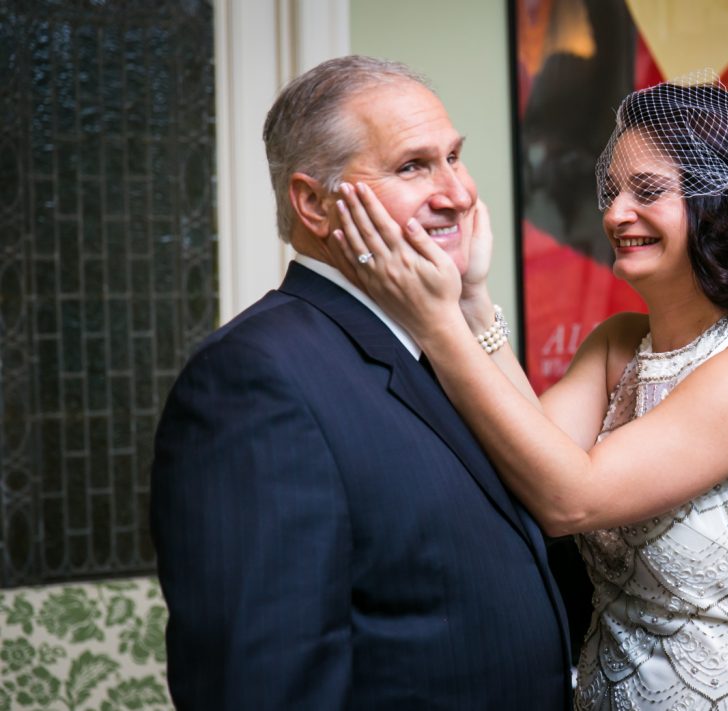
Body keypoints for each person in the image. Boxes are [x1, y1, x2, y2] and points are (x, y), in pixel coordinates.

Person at [329, 70, 728, 709]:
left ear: (720, 204)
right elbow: (528, 462)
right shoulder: (618, 344)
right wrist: (473, 300)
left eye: (646, 190)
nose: (615, 213)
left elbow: (571, 501)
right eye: (611, 189)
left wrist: (434, 319)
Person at [150, 55, 573, 710]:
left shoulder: (438, 342)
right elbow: (262, 687)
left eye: (453, 157)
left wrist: (470, 302)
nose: (457, 192)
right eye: (412, 166)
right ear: (314, 204)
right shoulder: (253, 379)